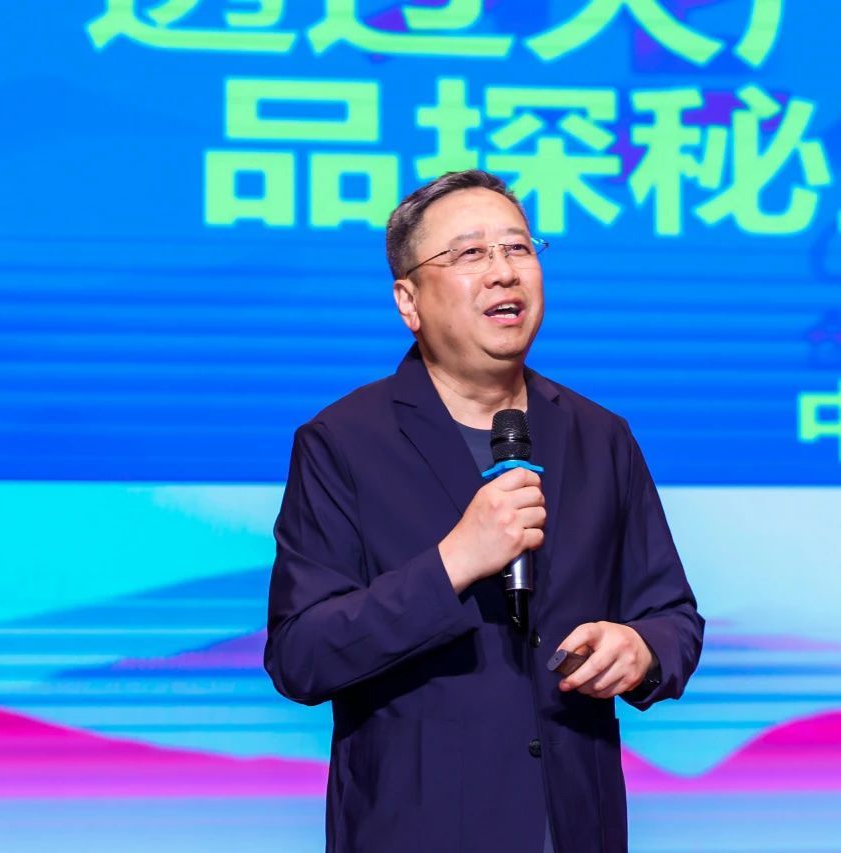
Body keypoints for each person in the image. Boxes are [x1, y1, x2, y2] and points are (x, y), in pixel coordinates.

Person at [263, 169, 704, 853]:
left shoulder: (600, 436)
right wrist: (452, 563)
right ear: (408, 300)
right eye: (471, 253)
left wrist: (641, 650)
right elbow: (301, 655)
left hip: (575, 827)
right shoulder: (343, 441)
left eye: (518, 248)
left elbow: (673, 615)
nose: (503, 271)